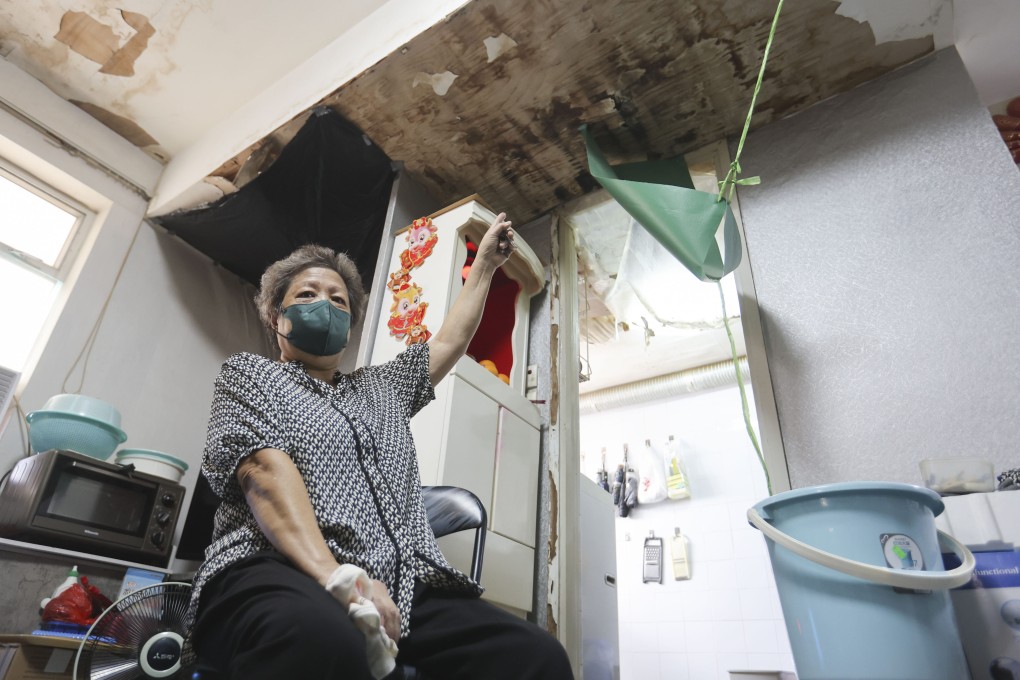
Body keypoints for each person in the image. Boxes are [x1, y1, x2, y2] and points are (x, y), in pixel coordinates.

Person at [187, 212, 574, 680]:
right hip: (274, 568)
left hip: (399, 589)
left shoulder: (381, 389)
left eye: (338, 300)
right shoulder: (251, 375)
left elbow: (450, 340)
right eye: (306, 295)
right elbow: (263, 473)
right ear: (276, 317)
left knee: (536, 657)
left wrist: (487, 267)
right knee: (322, 639)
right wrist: (340, 579)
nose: (325, 305)